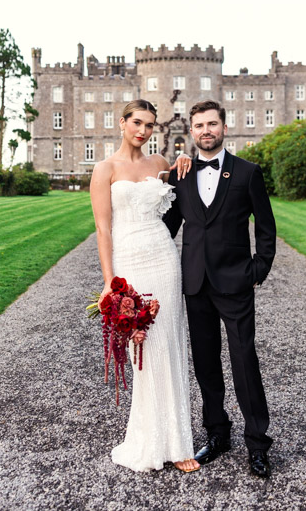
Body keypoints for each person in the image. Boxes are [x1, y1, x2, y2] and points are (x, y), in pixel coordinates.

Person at [162, 99, 277, 478]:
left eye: (212, 124)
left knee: (245, 361)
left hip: (235, 282)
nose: (205, 131)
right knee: (206, 366)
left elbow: (265, 225)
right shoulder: (181, 174)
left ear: (224, 128)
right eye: (199, 125)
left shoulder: (247, 172)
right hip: (194, 283)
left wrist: (258, 268)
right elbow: (170, 227)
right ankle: (217, 434)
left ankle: (258, 444)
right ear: (191, 132)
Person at [90, 99, 200, 473]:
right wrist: (110, 282)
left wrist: (184, 157)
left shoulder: (158, 165)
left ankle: (180, 442)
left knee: (169, 343)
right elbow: (103, 229)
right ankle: (150, 440)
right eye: (137, 122)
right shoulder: (104, 168)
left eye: (150, 125)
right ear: (122, 123)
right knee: (145, 348)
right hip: (130, 262)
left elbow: (185, 183)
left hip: (164, 259)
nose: (143, 131)